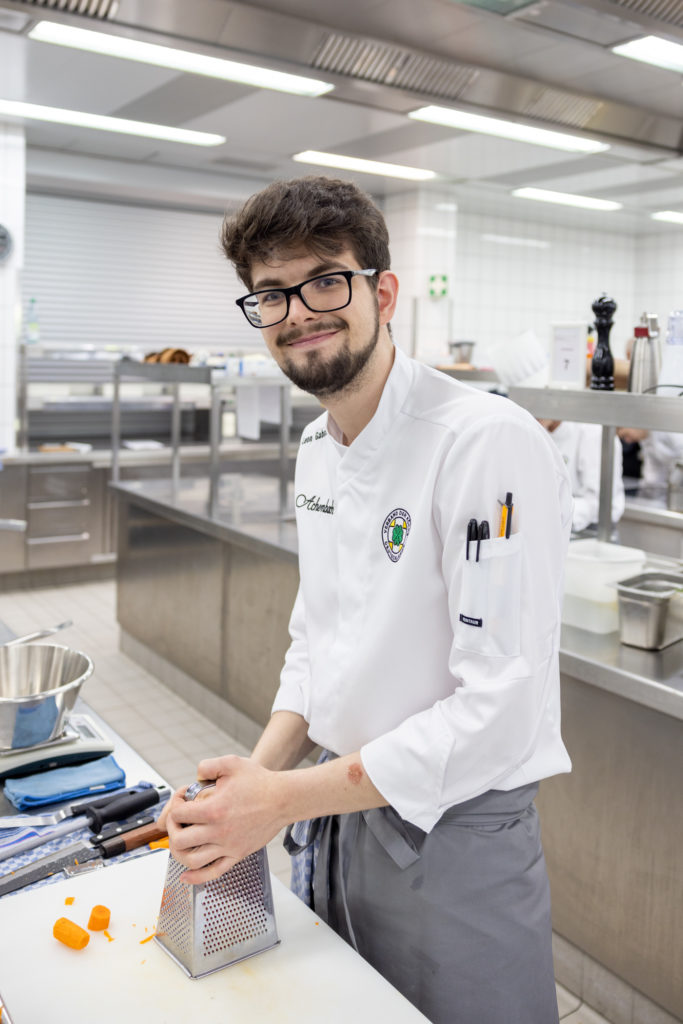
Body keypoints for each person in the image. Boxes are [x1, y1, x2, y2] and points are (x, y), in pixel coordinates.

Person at [163, 176, 573, 1024]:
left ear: (381, 292)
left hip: (455, 835)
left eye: (325, 279)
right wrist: (246, 788)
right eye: (270, 293)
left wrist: (279, 802)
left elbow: (498, 707)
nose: (298, 311)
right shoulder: (319, 445)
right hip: (337, 807)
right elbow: (319, 642)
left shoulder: (482, 443)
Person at [538, 419, 625, 532]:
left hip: (595, 529)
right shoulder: (537, 430)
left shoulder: (593, 432)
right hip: (555, 524)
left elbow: (598, 501)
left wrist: (547, 513)